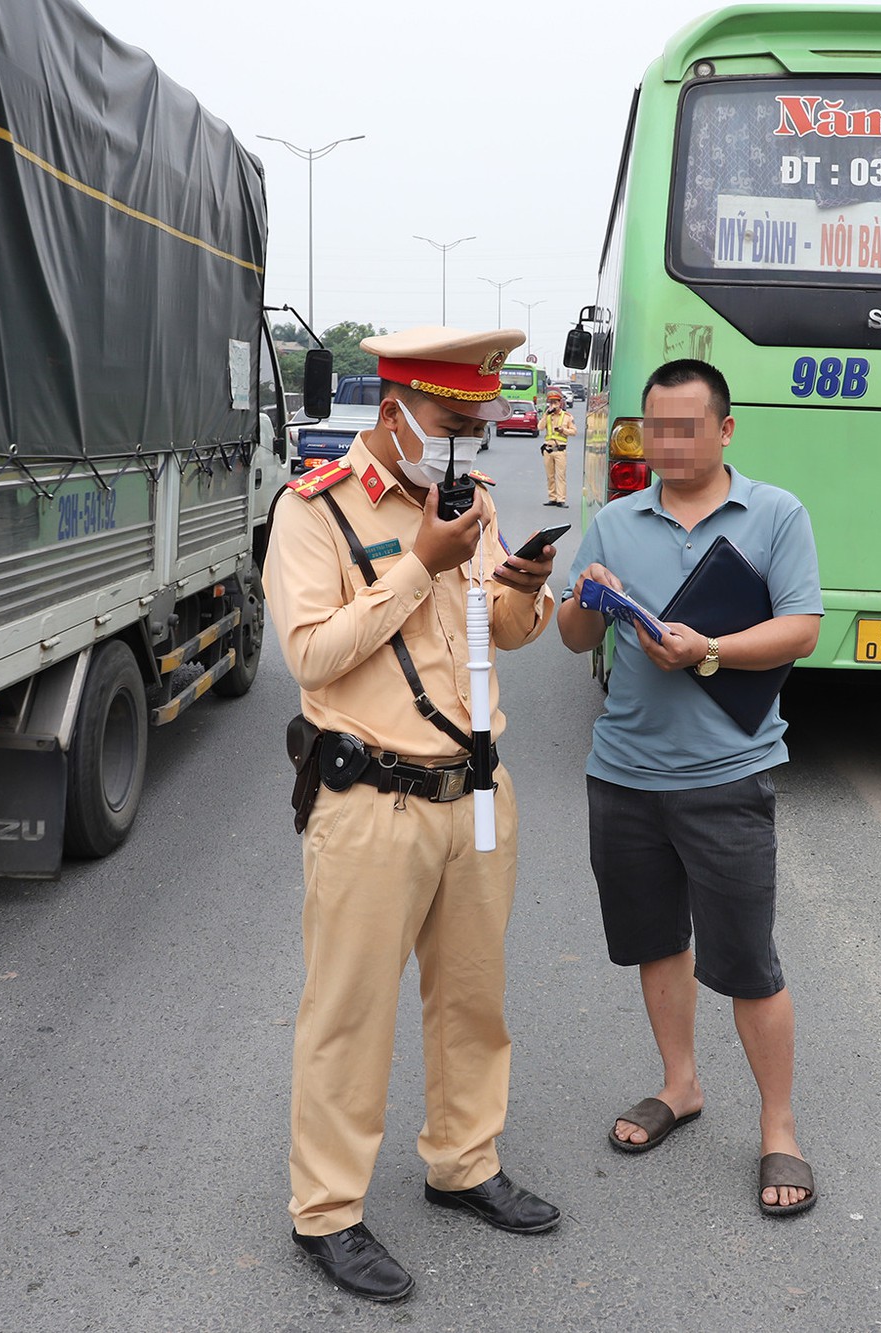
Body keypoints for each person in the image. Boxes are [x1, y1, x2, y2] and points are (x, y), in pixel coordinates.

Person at [266, 325, 562, 1303]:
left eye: (475, 425)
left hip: (473, 790)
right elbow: (312, 654)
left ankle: (463, 1162)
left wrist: (520, 587)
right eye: (447, 421)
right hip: (368, 797)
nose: (462, 444)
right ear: (393, 411)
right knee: (349, 1010)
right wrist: (418, 563)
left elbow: (507, 634)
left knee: (472, 997)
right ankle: (326, 1211)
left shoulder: (470, 503)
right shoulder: (316, 511)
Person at [554, 358, 824, 1216]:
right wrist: (588, 599)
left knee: (748, 960)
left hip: (726, 775)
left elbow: (801, 629)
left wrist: (706, 648)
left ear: (725, 430)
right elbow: (570, 639)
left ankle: (778, 1127)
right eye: (654, 428)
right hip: (623, 774)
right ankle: (680, 1085)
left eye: (687, 428)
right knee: (654, 941)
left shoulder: (775, 513)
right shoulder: (615, 519)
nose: (667, 444)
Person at [541, 389, 573, 507]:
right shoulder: (548, 416)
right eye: (551, 402)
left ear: (560, 403)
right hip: (548, 450)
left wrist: (563, 430)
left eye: (555, 402)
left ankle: (561, 500)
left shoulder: (567, 417)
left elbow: (574, 431)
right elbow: (540, 427)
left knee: (560, 476)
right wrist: (546, 415)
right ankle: (552, 498)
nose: (553, 405)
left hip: (560, 450)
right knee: (550, 476)